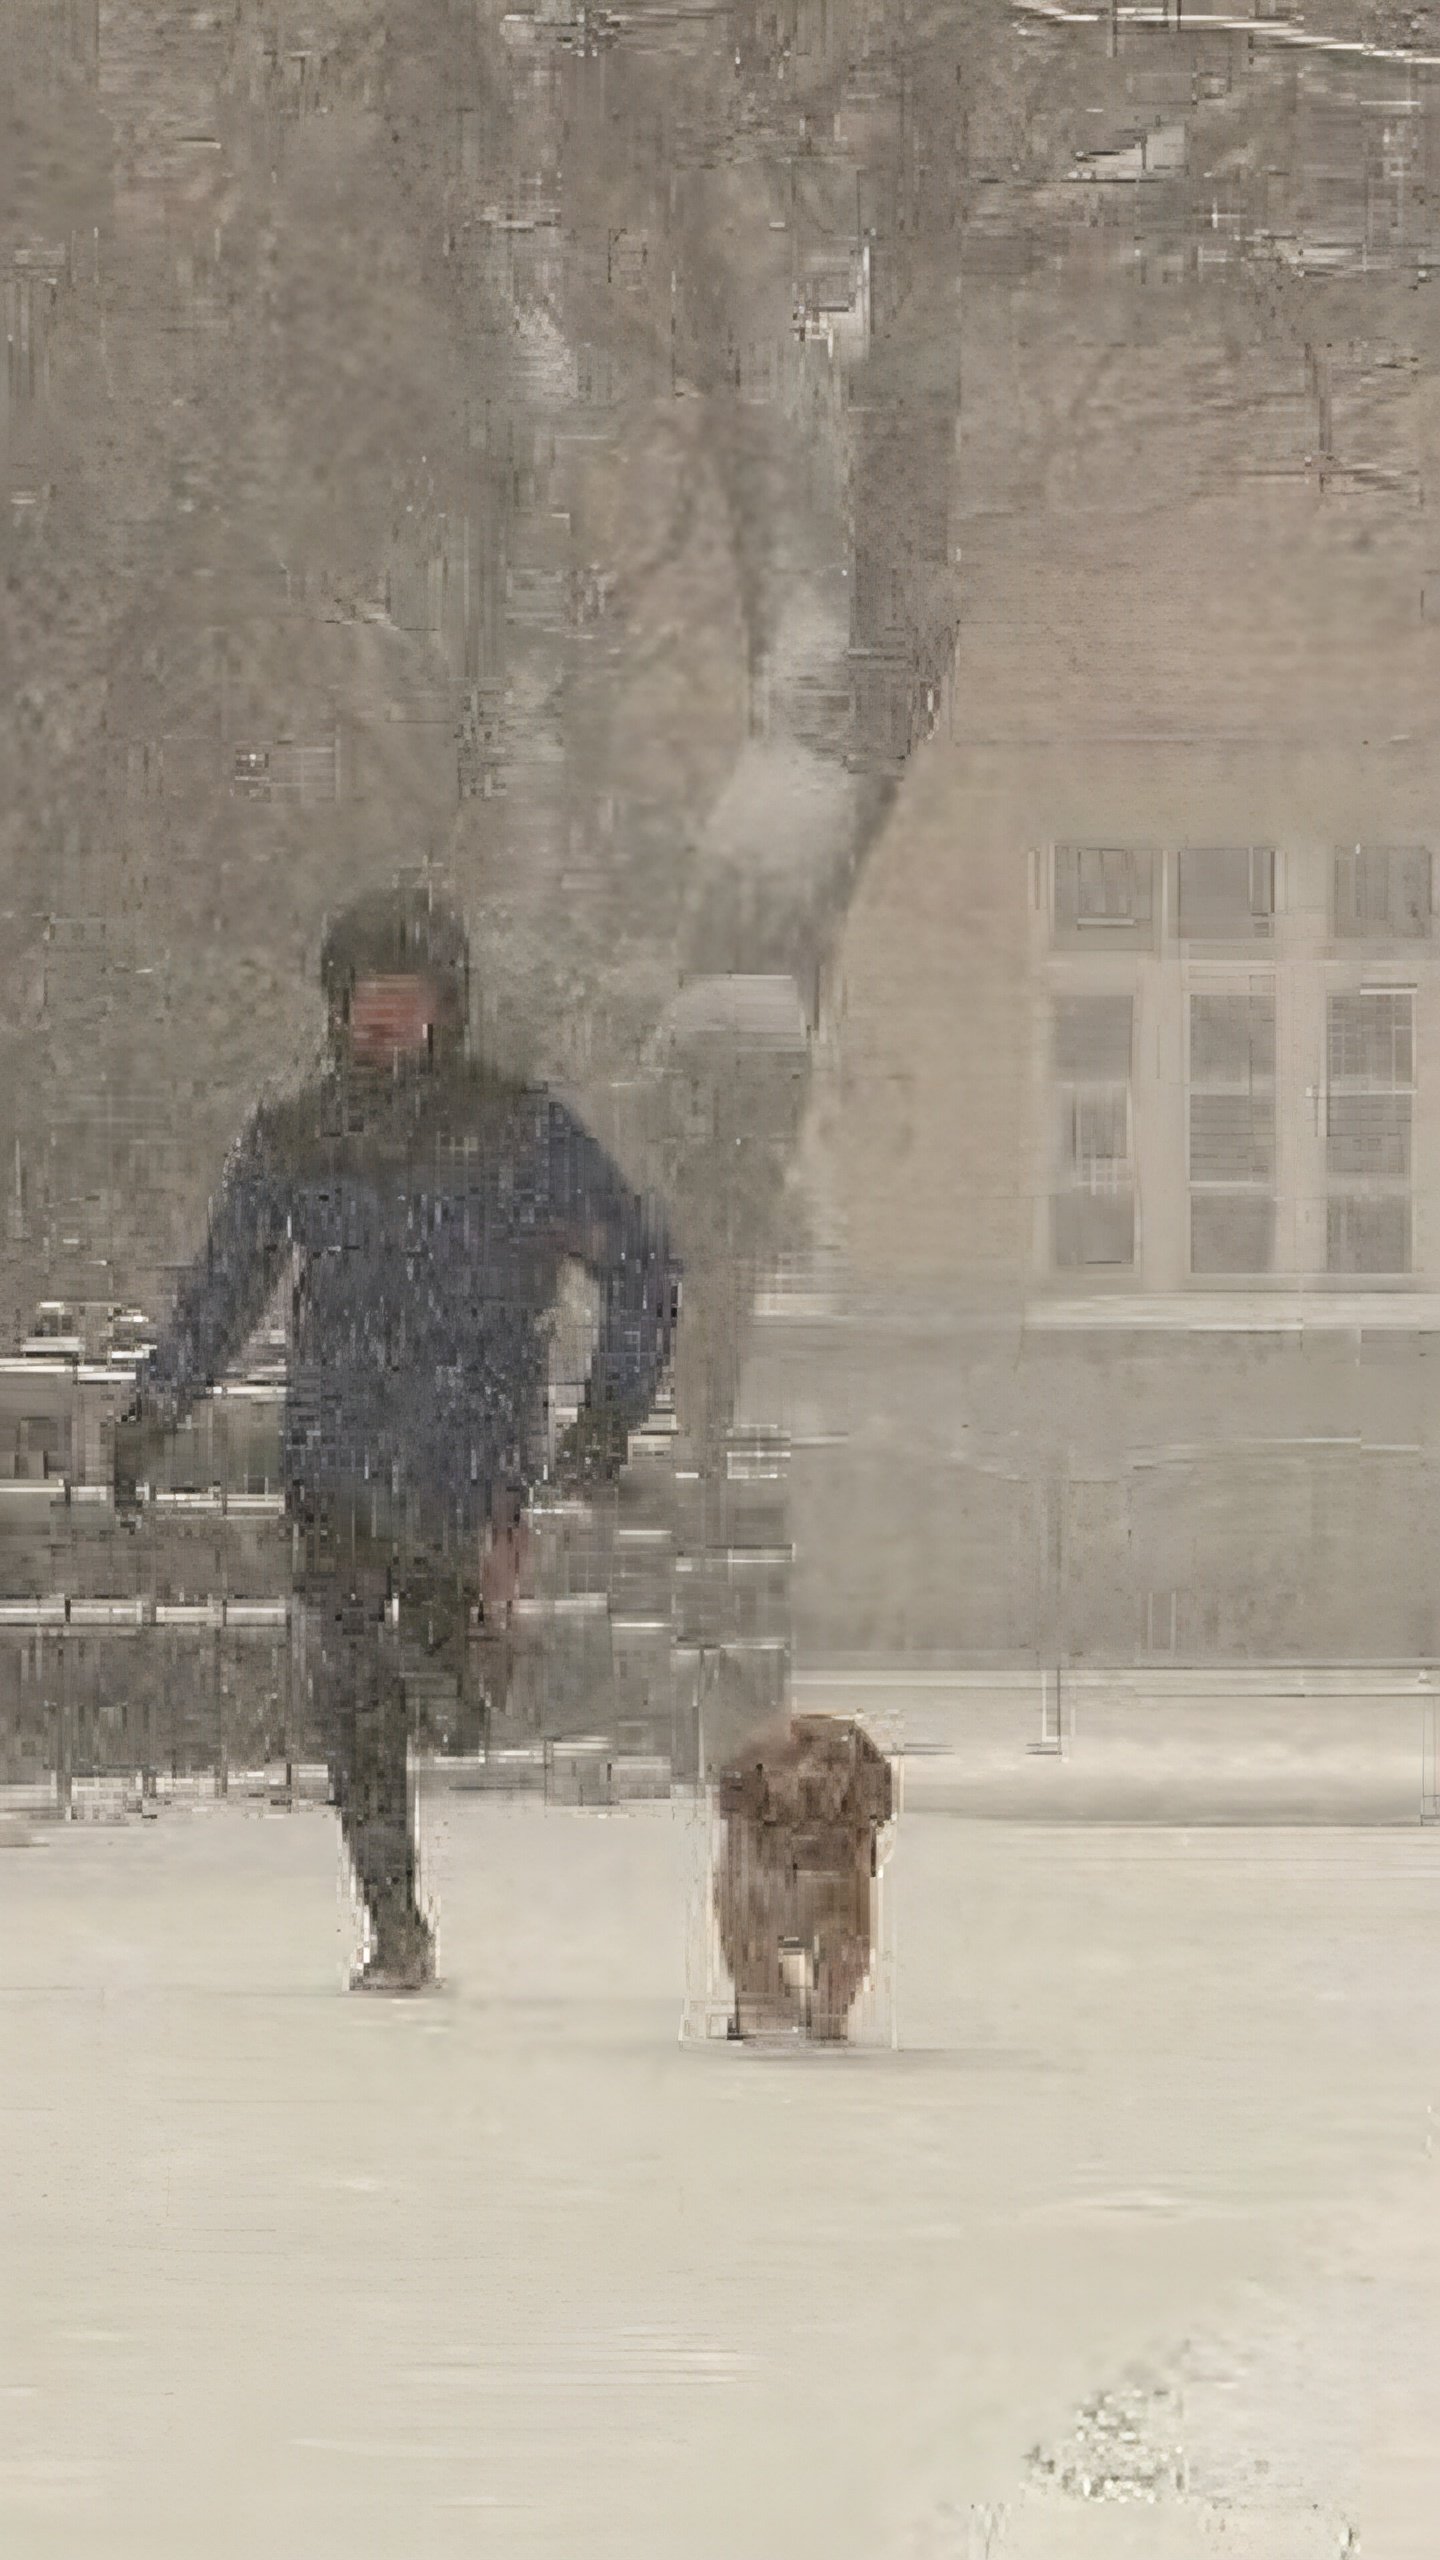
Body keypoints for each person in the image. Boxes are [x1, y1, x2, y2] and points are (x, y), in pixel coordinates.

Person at [113, 880, 681, 1993]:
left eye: (406, 1001)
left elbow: (644, 1270)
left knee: (440, 1701)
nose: (383, 1021)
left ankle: (470, 1655)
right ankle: (394, 1916)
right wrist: (157, 1404)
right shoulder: (296, 1138)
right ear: (335, 1006)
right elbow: (225, 1286)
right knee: (345, 1677)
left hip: (468, 1457)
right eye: (366, 1001)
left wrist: (608, 1417)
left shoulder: (519, 1130)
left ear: (445, 1009)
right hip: (334, 1445)